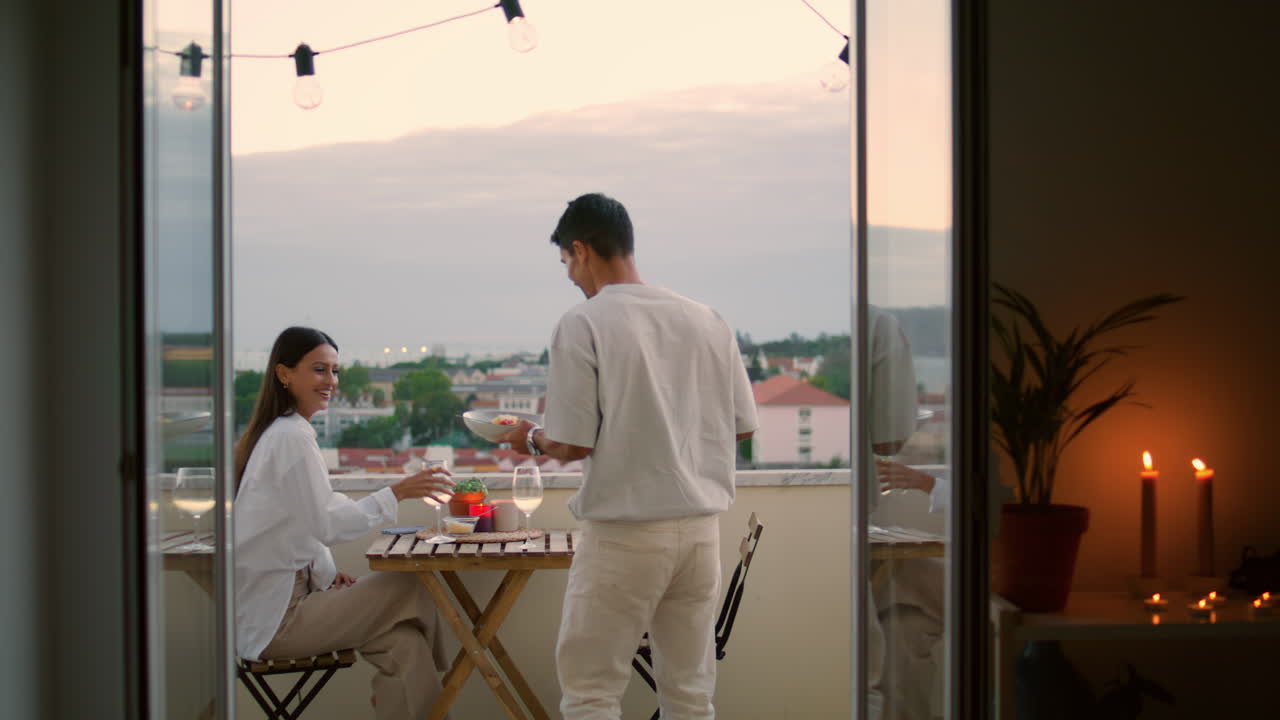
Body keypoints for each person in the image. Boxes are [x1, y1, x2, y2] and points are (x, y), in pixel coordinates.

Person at [495, 193, 758, 720]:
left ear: (581, 249)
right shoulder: (707, 319)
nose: (569, 275)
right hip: (700, 532)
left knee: (592, 692)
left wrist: (526, 437)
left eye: (567, 262)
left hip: (626, 536)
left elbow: (571, 444)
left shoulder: (584, 323)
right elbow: (743, 427)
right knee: (689, 694)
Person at [233, 326, 456, 720]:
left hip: (292, 602)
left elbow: (306, 520)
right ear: (284, 374)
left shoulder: (286, 433)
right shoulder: (290, 437)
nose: (331, 382)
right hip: (279, 621)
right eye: (320, 370)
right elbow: (327, 524)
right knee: (412, 582)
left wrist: (325, 575)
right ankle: (463, 664)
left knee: (404, 646)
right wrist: (397, 492)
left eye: (335, 371)